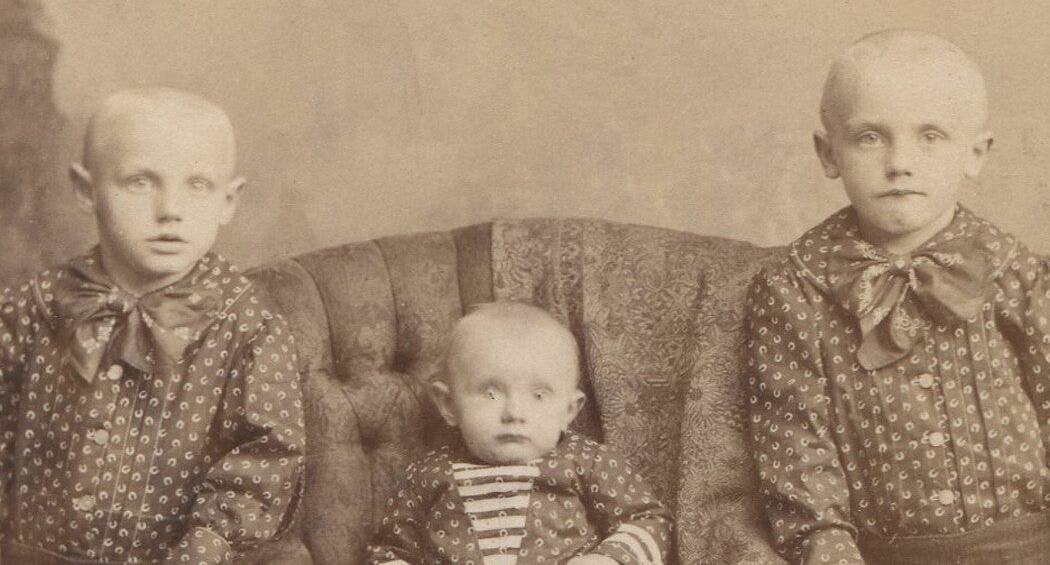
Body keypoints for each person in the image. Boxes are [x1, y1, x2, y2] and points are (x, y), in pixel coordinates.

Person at [746, 29, 1050, 565]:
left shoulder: (1015, 270)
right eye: (870, 137)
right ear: (828, 151)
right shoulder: (794, 286)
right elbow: (795, 448)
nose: (899, 162)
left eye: (930, 135)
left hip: (1028, 542)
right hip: (881, 553)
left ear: (975, 154)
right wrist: (829, 551)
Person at [0, 87, 305, 564]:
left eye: (197, 185)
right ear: (86, 191)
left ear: (228, 200)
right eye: (140, 182)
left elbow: (266, 461)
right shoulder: (29, 309)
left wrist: (203, 549)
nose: (171, 210)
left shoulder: (249, 327)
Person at [367, 302, 672, 564]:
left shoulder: (587, 461)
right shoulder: (427, 474)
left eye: (539, 395)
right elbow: (390, 550)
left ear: (569, 411)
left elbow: (649, 520)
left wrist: (607, 559)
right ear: (449, 405)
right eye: (490, 393)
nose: (514, 413)